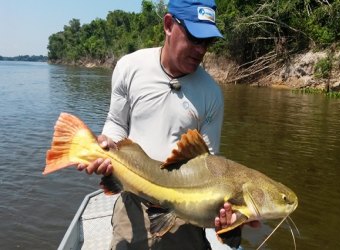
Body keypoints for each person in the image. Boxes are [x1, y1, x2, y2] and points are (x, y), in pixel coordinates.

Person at [78, 0, 255, 249]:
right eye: (195, 37)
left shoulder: (211, 93)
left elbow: (210, 164)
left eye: (208, 42)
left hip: (184, 213)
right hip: (133, 198)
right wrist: (105, 142)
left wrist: (230, 221)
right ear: (169, 25)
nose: (201, 49)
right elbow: (116, 123)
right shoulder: (130, 67)